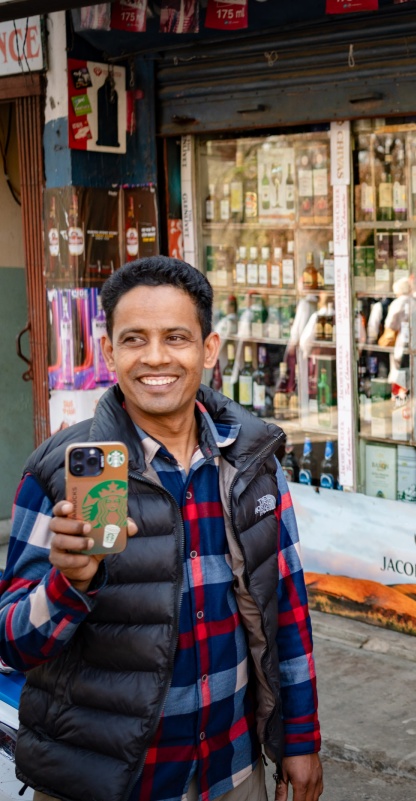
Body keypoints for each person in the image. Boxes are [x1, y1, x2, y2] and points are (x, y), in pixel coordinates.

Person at [2, 257, 323, 801]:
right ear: (109, 352)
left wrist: (301, 737)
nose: (155, 358)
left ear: (209, 349)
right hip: (103, 782)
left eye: (176, 337)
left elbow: (286, 608)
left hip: (231, 774)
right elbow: (13, 642)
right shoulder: (57, 471)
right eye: (134, 339)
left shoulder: (251, 462)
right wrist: (68, 585)